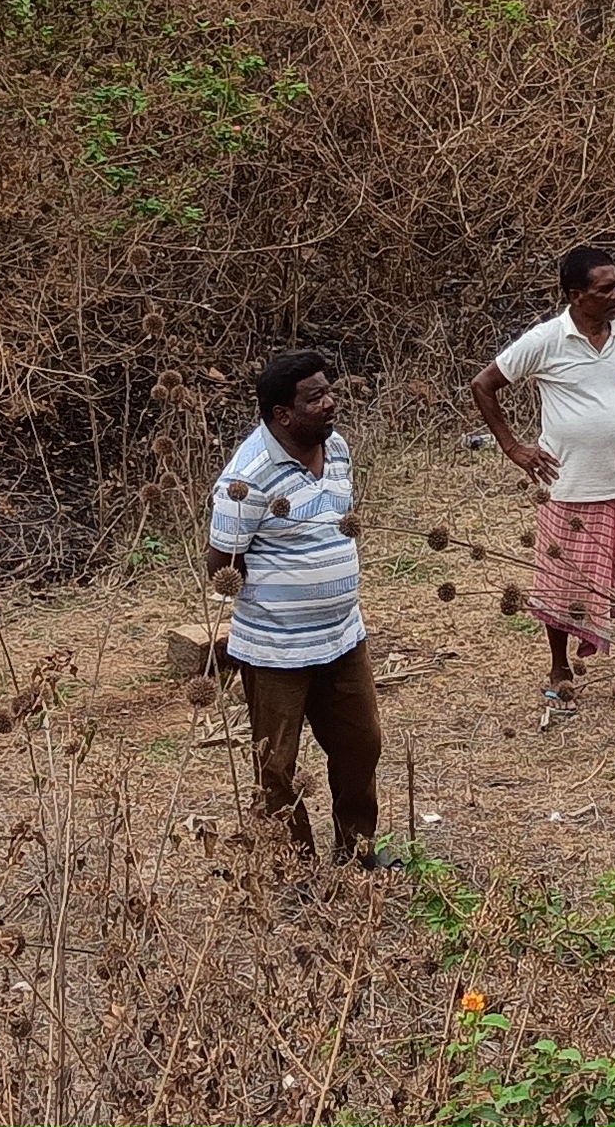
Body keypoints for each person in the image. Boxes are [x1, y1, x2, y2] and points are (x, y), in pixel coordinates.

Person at [204, 346, 385, 864]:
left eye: (330, 391)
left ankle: (357, 851)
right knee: (276, 765)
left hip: (344, 638)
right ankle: (294, 866)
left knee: (361, 746)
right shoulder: (248, 477)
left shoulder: (340, 450)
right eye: (316, 397)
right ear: (282, 414)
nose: (330, 403)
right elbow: (221, 564)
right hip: (276, 651)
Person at [472, 245, 615, 713]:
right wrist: (514, 448)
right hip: (568, 488)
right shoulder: (546, 340)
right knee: (560, 587)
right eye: (605, 289)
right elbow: (483, 385)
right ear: (577, 295)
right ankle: (559, 673)